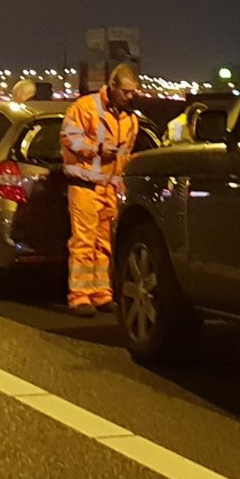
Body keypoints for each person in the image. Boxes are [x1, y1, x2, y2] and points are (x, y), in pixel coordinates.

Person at [59, 63, 142, 316]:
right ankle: (80, 297)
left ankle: (101, 294)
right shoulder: (85, 107)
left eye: (133, 93)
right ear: (113, 86)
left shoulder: (130, 119)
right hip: (84, 185)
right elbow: (68, 137)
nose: (129, 97)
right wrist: (96, 149)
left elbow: (124, 157)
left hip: (107, 187)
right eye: (126, 92)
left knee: (103, 244)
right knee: (84, 243)